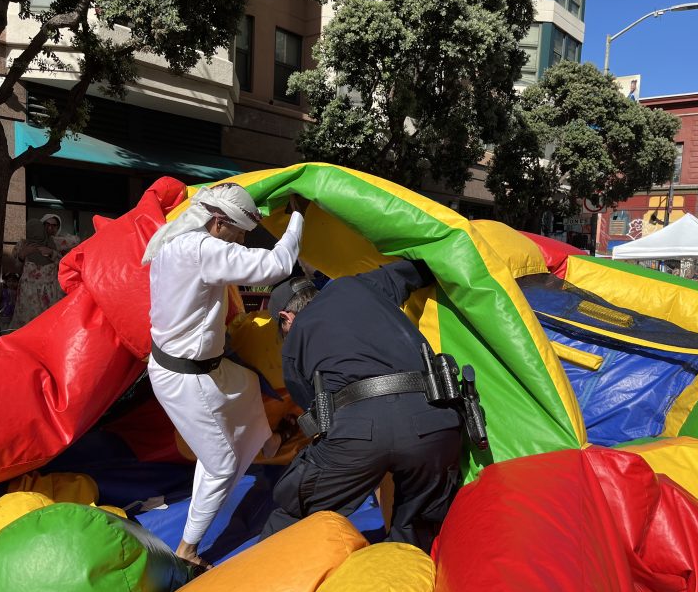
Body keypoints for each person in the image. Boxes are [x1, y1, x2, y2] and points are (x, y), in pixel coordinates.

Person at [141, 182, 305, 569]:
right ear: (217, 223)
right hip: (187, 377)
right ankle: (188, 549)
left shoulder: (175, 239)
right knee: (221, 466)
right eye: (239, 233)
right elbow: (277, 266)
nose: (242, 241)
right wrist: (299, 216)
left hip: (197, 365)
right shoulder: (202, 249)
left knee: (248, 384)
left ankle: (265, 444)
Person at [259, 257, 463, 553]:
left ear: (285, 317)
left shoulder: (295, 342)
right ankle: (410, 580)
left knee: (294, 510)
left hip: (360, 430)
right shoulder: (359, 285)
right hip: (435, 420)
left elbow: (318, 414)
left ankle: (260, 583)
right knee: (421, 528)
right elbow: (421, 267)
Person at [10, 219, 65, 328]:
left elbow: (64, 263)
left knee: (49, 324)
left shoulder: (56, 243)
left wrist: (51, 253)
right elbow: (14, 267)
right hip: (28, 293)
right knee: (28, 324)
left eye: (54, 225)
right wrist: (22, 255)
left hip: (50, 292)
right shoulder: (22, 244)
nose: (50, 228)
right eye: (47, 224)